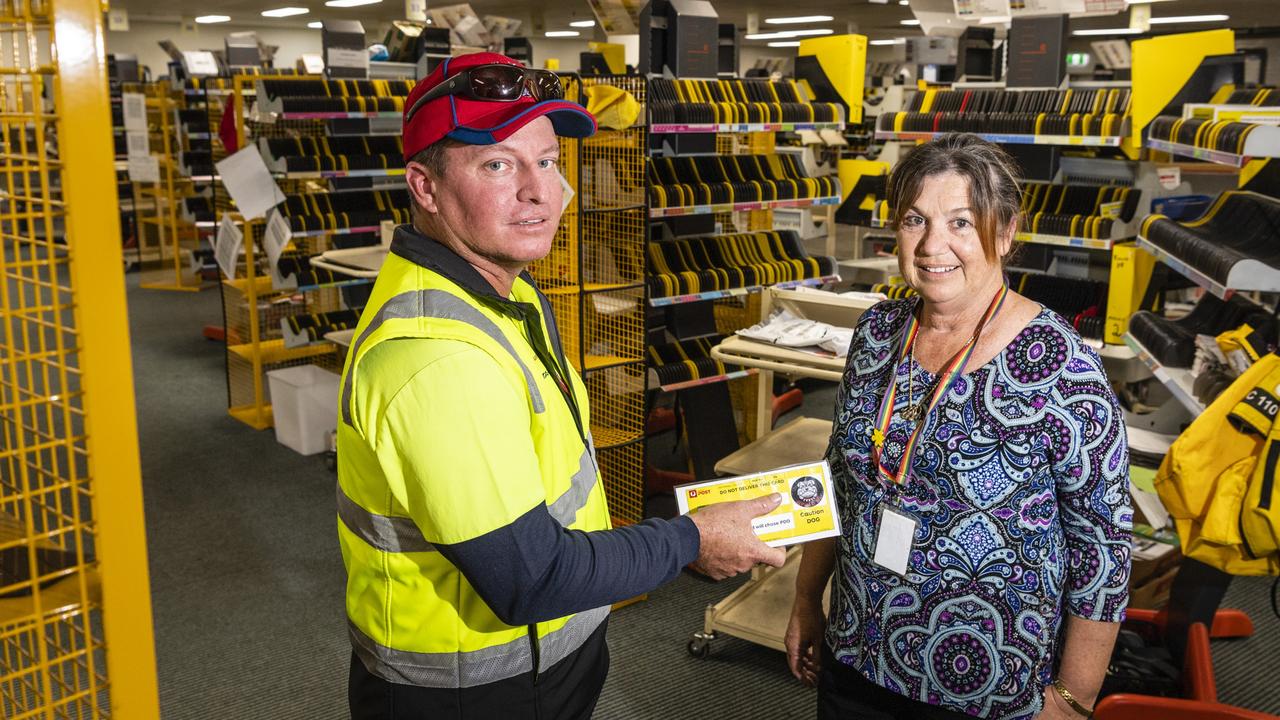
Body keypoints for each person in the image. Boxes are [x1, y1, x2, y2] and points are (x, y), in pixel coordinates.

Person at [336, 52, 787, 719]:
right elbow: (530, 576)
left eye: (546, 161)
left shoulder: (500, 293)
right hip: (475, 693)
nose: (541, 191)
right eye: (498, 164)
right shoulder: (439, 359)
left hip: (539, 658)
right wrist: (691, 539)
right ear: (425, 188)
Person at [785, 133, 1132, 720]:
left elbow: (1102, 550)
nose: (932, 245)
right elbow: (837, 475)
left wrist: (1074, 699)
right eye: (914, 220)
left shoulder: (1061, 367)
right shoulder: (878, 334)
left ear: (1006, 231)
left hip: (987, 687)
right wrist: (805, 599)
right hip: (859, 651)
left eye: (962, 223)